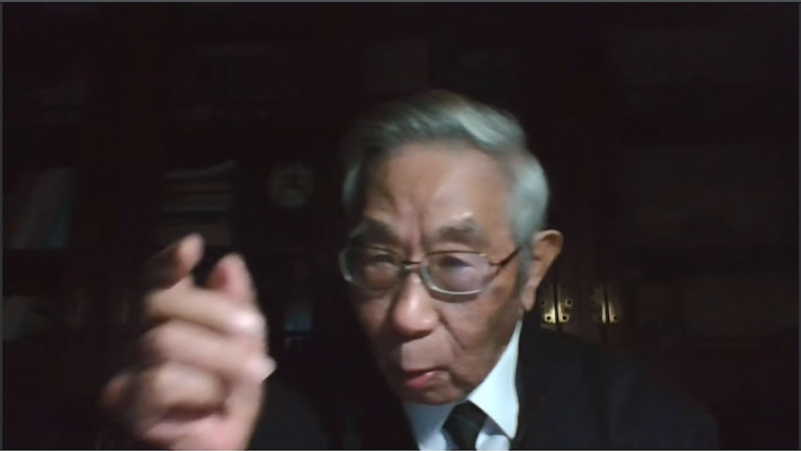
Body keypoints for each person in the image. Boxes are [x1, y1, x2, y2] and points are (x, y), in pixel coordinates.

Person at [101, 91, 718, 450]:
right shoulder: (274, 421)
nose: (406, 316)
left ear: (534, 270)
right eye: (377, 260)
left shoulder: (651, 428)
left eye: (455, 265)